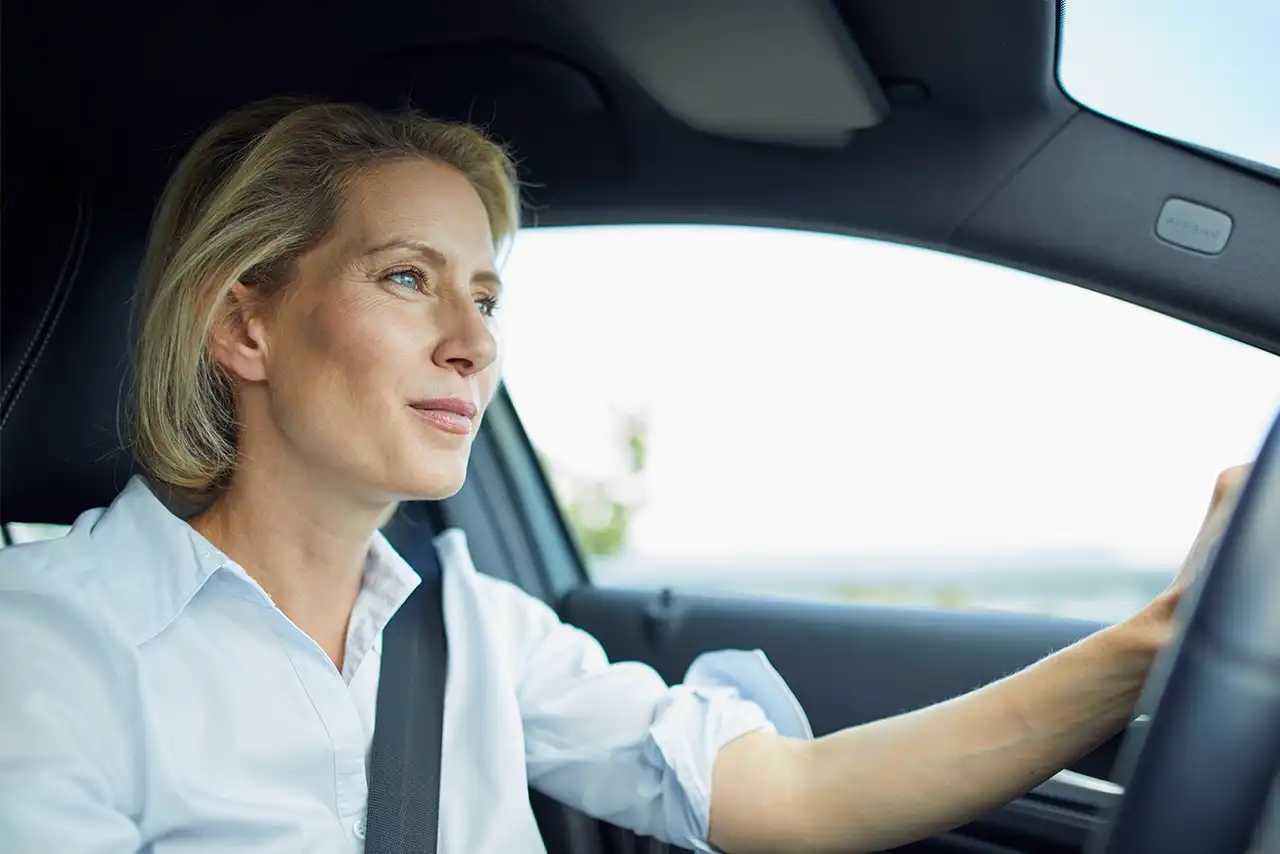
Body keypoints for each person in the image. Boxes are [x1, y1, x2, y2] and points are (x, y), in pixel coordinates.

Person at [0, 97, 1249, 854]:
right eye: (404, 276)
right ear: (246, 326)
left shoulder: (472, 627)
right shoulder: (50, 646)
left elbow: (795, 794)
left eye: (484, 293)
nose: (475, 339)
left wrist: (1151, 645)